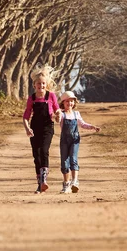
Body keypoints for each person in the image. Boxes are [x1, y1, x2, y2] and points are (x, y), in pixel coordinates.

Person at [23, 65, 61, 194]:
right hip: (35, 128)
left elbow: (57, 110)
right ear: (34, 85)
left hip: (47, 127)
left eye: (43, 83)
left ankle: (44, 180)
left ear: (47, 84)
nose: (41, 86)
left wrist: (57, 115)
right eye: (39, 84)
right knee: (36, 154)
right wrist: (27, 128)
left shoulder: (51, 96)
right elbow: (26, 116)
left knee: (44, 151)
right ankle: (40, 184)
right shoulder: (32, 98)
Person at [59, 91, 100, 194]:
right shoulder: (62, 114)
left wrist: (92, 127)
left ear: (75, 102)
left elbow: (82, 124)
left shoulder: (76, 114)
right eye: (67, 101)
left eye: (72, 101)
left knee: (73, 159)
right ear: (63, 103)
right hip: (64, 140)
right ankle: (66, 184)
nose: (70, 103)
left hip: (75, 140)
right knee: (64, 163)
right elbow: (56, 119)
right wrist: (56, 114)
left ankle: (75, 181)